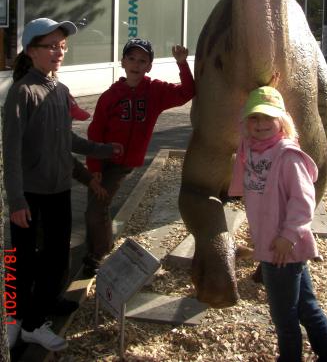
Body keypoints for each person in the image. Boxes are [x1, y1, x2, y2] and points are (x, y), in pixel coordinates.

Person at [3, 18, 121, 352]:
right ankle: (16, 318)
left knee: (55, 260)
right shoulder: (22, 92)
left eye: (62, 46)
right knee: (20, 258)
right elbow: (10, 153)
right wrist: (16, 201)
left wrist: (100, 150)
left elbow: (64, 140)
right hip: (29, 194)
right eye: (51, 46)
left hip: (59, 191)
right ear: (31, 51)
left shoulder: (59, 89)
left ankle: (34, 318)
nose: (59, 51)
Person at [229, 86, 327, 362]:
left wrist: (287, 236)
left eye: (269, 118)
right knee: (306, 307)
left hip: (280, 247)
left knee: (284, 316)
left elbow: (303, 201)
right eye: (254, 118)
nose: (261, 124)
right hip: (274, 244)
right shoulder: (252, 149)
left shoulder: (287, 156)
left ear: (283, 121)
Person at [83, 38, 195, 277]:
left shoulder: (155, 91)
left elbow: (187, 92)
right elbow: (95, 132)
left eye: (142, 60)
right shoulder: (110, 96)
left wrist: (182, 64)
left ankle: (96, 252)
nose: (136, 63)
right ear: (123, 62)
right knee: (96, 208)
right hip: (104, 161)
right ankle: (97, 253)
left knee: (97, 207)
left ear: (149, 66)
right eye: (131, 58)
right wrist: (94, 167)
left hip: (124, 164)